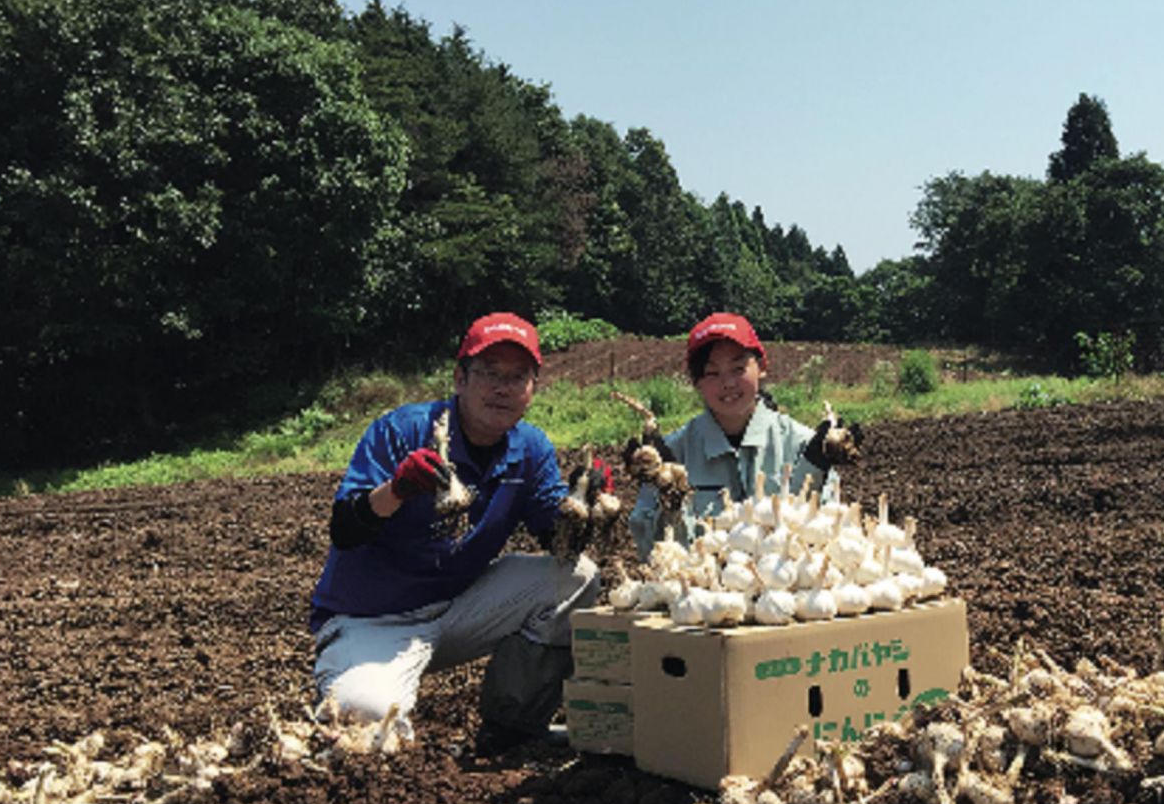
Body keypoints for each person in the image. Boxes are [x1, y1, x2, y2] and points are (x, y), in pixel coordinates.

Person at [310, 311, 602, 754]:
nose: (502, 388)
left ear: (532, 389)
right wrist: (399, 489)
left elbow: (556, 541)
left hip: (459, 609)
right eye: (489, 373)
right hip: (374, 620)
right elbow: (345, 530)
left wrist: (586, 507)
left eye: (517, 376)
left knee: (575, 576)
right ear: (460, 379)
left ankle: (512, 728)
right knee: (367, 728)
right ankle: (352, 674)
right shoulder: (402, 430)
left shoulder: (530, 449)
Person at [628, 312, 861, 560]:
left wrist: (814, 469)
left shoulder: (804, 445)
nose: (727, 383)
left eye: (738, 368)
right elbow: (647, 551)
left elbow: (829, 537)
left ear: (761, 367)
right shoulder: (671, 456)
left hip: (785, 593)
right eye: (712, 373)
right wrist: (668, 495)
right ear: (696, 381)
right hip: (699, 592)